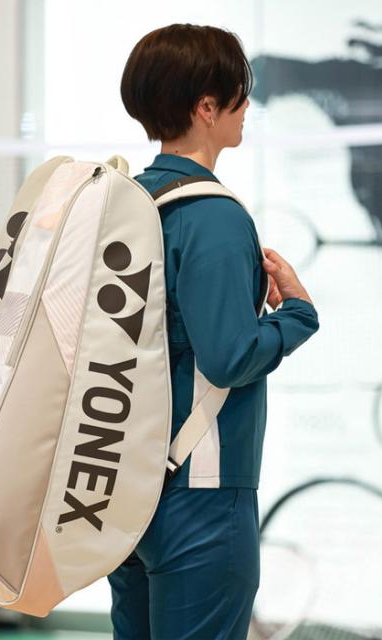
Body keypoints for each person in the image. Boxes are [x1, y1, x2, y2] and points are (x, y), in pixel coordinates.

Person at [108, 23, 320, 640]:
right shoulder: (213, 216)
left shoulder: (125, 203)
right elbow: (229, 357)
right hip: (202, 491)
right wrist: (297, 316)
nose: (247, 106)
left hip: (124, 485)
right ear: (207, 106)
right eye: (238, 93)